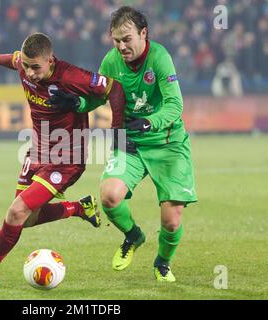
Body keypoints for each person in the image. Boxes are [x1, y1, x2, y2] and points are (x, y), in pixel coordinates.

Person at [49, 6, 197, 282]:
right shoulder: (111, 62)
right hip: (130, 142)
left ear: (143, 33)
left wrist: (150, 122)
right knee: (109, 195)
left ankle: (162, 263)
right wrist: (77, 102)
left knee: (171, 220)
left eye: (127, 39)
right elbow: (98, 97)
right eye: (116, 40)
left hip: (168, 143)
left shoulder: (160, 58)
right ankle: (133, 236)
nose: (121, 46)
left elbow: (176, 104)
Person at [0, 32, 127, 286]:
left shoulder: (70, 76)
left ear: (50, 61)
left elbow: (114, 88)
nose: (30, 73)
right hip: (37, 151)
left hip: (65, 159)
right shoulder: (24, 64)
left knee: (16, 212)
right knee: (27, 218)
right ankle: (78, 208)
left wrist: (118, 130)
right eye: (27, 66)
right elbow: (11, 59)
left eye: (36, 67)